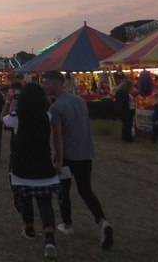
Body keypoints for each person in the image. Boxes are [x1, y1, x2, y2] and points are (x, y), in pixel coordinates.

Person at [42, 70, 114, 250]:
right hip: (85, 153)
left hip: (67, 156)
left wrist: (58, 160)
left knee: (63, 191)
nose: (45, 86)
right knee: (85, 190)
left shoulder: (56, 108)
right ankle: (102, 222)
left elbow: (58, 137)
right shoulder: (80, 101)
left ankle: (67, 224)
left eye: (47, 83)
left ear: (58, 83)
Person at [3, 83, 61, 259]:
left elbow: (2, 118)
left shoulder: (16, 117)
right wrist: (47, 101)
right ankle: (49, 239)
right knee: (45, 202)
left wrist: (8, 101)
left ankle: (29, 228)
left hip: (22, 168)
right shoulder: (47, 116)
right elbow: (55, 116)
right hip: (43, 166)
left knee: (25, 199)